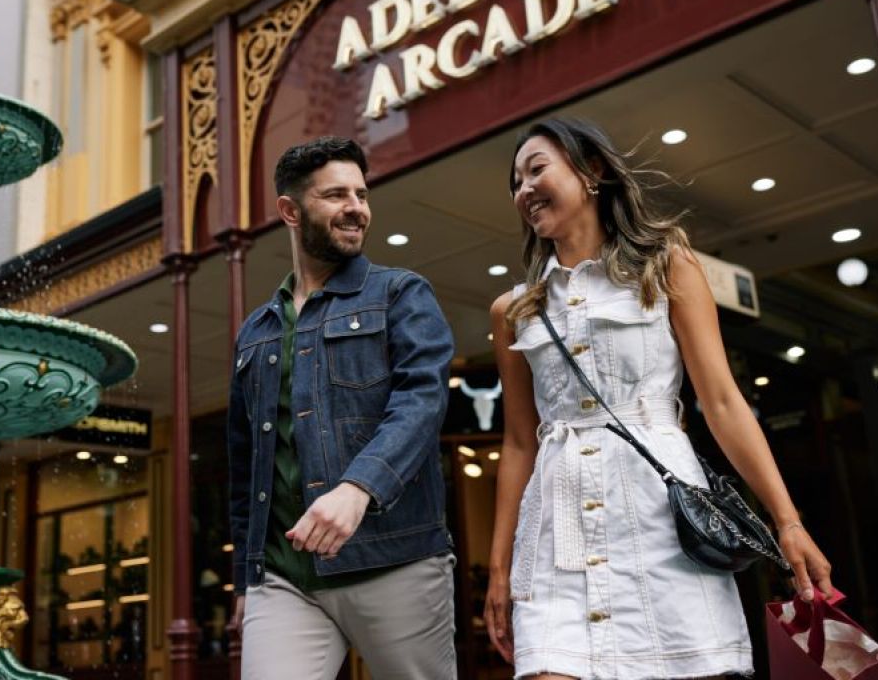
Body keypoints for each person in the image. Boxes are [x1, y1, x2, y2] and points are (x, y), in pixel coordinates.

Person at [483, 118, 833, 679]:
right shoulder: (514, 309)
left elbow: (721, 402)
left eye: (536, 169)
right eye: (515, 181)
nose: (523, 188)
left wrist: (787, 520)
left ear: (591, 170)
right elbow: (521, 442)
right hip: (556, 536)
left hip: (661, 523)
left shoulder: (667, 267)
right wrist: (499, 570)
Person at [228, 136, 457, 680]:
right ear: (290, 210)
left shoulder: (401, 294)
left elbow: (421, 403)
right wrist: (245, 579)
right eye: (336, 195)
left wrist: (359, 490)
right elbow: (246, 467)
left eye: (361, 193)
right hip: (284, 580)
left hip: (394, 561)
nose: (357, 207)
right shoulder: (256, 332)